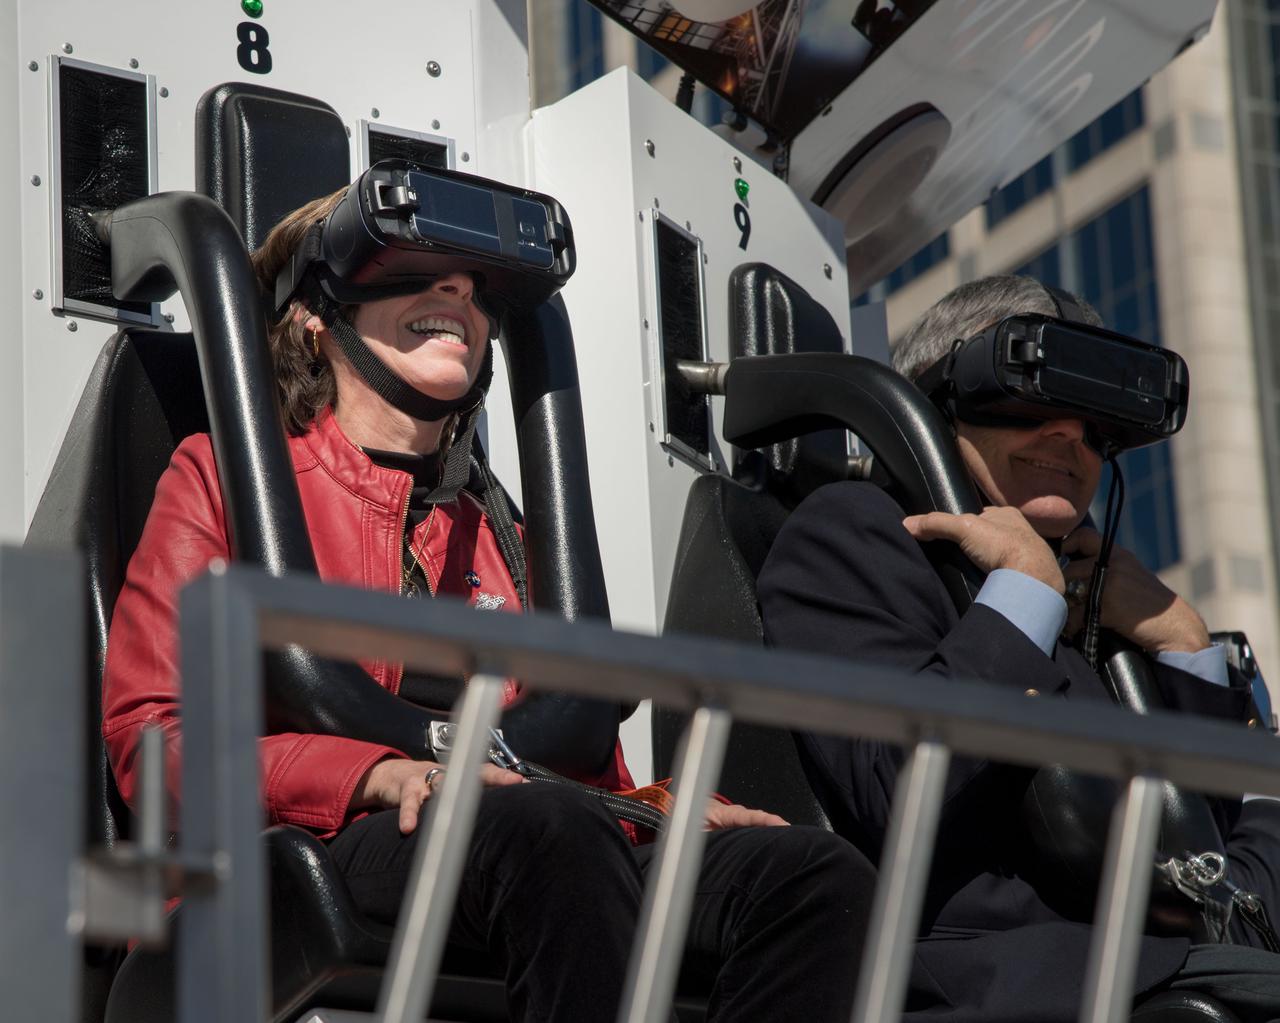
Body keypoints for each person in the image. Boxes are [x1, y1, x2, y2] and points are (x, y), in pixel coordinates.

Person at [102, 175, 876, 1022]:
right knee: (550, 834)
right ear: (314, 314)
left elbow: (573, 762)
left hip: (524, 843)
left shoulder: (500, 529)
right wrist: (371, 773)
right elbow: (151, 742)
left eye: (474, 284)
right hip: (310, 846)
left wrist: (658, 808)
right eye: (412, 266)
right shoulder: (224, 480)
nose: (455, 291)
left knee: (814, 879)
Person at [757, 275, 1280, 1023]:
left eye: (1097, 421)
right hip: (997, 989)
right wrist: (1023, 595)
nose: (1069, 436)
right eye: (1032, 398)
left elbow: (1236, 887)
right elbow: (894, 787)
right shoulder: (854, 532)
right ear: (940, 402)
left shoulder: (1100, 617)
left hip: (1169, 975)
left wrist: (1185, 645)